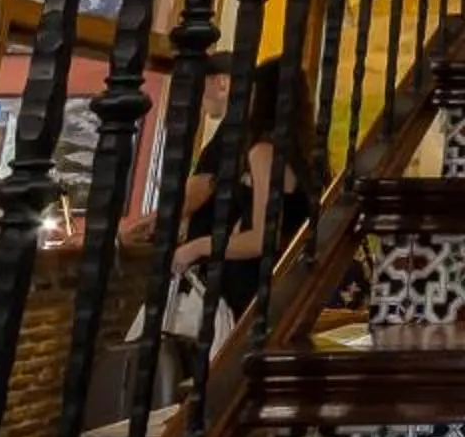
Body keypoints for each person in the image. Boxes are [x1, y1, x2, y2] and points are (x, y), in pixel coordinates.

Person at [120, 53, 317, 324]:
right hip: (280, 285)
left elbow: (261, 235)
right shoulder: (305, 154)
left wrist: (197, 247)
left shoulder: (262, 151)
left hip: (245, 284)